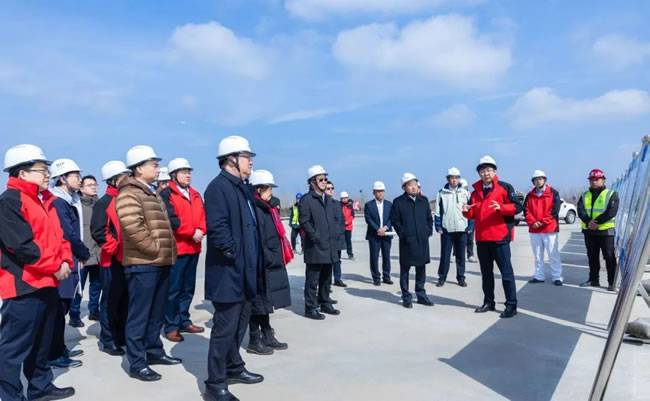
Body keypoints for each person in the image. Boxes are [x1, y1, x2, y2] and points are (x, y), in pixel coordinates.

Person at [0, 144, 76, 401]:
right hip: (24, 284)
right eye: (42, 170)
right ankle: (10, 395)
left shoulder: (45, 201)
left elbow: (60, 237)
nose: (47, 174)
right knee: (14, 346)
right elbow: (22, 246)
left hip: (48, 282)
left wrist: (65, 260)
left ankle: (40, 387)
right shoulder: (10, 201)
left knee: (42, 341)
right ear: (22, 173)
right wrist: (55, 266)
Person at [203, 136, 264, 401]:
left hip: (246, 270)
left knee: (240, 323)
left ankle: (234, 366)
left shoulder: (242, 188)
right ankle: (215, 384)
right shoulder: (218, 188)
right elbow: (218, 228)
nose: (250, 162)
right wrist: (235, 254)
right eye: (246, 157)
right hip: (229, 271)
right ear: (231, 159)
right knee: (224, 328)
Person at [116, 145, 181, 382]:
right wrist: (155, 249)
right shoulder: (129, 193)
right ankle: (137, 362)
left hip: (160, 262)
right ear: (139, 168)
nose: (157, 168)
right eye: (153, 164)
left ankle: (154, 351)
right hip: (143, 264)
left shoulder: (151, 192)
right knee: (139, 315)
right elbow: (133, 228)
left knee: (156, 313)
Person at [463, 155, 522, 319]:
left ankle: (511, 305)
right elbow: (473, 213)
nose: (486, 173)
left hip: (500, 238)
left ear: (495, 171)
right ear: (479, 173)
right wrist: (466, 211)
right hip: (482, 239)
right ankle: (489, 302)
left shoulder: (505, 187)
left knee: (506, 273)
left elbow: (518, 207)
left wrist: (502, 208)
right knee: (486, 274)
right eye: (482, 170)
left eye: (489, 170)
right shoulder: (475, 192)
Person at [245, 169, 292, 355]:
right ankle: (254, 339)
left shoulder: (268, 208)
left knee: (265, 302)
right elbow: (257, 238)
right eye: (269, 188)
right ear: (258, 189)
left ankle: (267, 334)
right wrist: (268, 257)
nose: (271, 192)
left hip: (270, 260)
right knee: (257, 303)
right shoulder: (254, 209)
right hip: (261, 262)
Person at [160, 158, 206, 343]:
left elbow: (203, 216)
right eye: (183, 172)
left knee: (188, 288)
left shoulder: (195, 194)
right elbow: (171, 220)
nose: (188, 175)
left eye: (189, 172)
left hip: (194, 247)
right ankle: (171, 326)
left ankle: (184, 320)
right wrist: (191, 232)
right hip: (178, 249)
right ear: (173, 175)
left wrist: (201, 230)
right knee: (174, 289)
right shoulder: (166, 194)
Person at [49, 158, 90, 368]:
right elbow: (69, 233)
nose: (79, 179)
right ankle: (54, 354)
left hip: (72, 257)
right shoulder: (58, 202)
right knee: (59, 308)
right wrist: (83, 253)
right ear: (62, 178)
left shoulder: (70, 200)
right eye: (75, 176)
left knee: (62, 307)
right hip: (65, 259)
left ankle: (59, 348)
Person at [91, 160, 130, 356]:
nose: (128, 179)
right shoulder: (104, 202)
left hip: (128, 260)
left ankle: (121, 335)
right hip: (111, 260)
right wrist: (116, 249)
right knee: (110, 301)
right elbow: (99, 231)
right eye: (124, 176)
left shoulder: (127, 200)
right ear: (114, 180)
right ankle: (108, 340)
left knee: (125, 300)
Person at [299, 166, 342, 320]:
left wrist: (334, 236)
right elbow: (304, 221)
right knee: (313, 279)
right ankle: (310, 308)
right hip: (315, 247)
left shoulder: (328, 200)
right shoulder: (306, 200)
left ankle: (324, 302)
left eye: (325, 179)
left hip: (329, 246)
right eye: (321, 179)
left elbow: (335, 221)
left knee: (326, 278)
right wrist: (315, 236)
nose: (324, 182)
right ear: (312, 182)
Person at [390, 173, 434, 309]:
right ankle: (406, 297)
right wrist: (403, 234)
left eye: (415, 184)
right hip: (407, 242)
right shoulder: (398, 202)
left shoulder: (423, 200)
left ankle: (421, 295)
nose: (413, 187)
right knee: (405, 270)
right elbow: (395, 220)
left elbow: (429, 218)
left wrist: (428, 231)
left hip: (422, 240)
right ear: (404, 187)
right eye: (410, 185)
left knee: (421, 269)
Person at [577, 169, 619, 291]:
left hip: (605, 231)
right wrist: (588, 222)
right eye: (591, 179)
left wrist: (596, 222)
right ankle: (593, 280)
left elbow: (611, 212)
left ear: (603, 180)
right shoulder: (584, 195)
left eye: (596, 179)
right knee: (592, 256)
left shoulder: (611, 194)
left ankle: (612, 283)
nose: (594, 181)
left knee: (609, 257)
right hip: (589, 231)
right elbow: (580, 210)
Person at [70, 175, 102, 324]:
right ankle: (74, 314)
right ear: (81, 188)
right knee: (79, 286)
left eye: (95, 184)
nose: (94, 187)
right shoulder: (76, 205)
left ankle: (94, 311)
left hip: (98, 253)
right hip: (82, 253)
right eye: (90, 185)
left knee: (96, 285)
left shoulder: (99, 204)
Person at [525, 170, 563, 286]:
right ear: (533, 182)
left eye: (540, 179)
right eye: (536, 179)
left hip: (549, 229)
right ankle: (539, 276)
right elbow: (526, 210)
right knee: (537, 255)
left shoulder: (553, 193)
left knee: (553, 254)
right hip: (535, 230)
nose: (538, 181)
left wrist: (541, 222)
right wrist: (533, 222)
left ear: (544, 180)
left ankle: (557, 277)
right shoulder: (529, 195)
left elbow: (554, 211)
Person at [434, 167, 470, 288]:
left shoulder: (465, 193)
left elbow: (471, 210)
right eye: (452, 178)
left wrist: (470, 226)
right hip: (447, 229)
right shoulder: (441, 193)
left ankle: (461, 277)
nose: (454, 180)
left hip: (462, 228)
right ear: (448, 179)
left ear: (459, 179)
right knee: (445, 255)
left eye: (456, 178)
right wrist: (438, 226)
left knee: (461, 256)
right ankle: (442, 277)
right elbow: (437, 211)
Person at [364, 181, 394, 286]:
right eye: (378, 191)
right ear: (374, 192)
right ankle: (376, 277)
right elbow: (368, 219)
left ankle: (386, 277)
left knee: (386, 256)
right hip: (374, 235)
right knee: (374, 257)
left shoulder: (389, 205)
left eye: (382, 191)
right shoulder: (369, 205)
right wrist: (378, 229)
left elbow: (392, 218)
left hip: (386, 234)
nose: (380, 193)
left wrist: (385, 228)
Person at [460, 179, 478, 263]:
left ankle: (470, 255)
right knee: (459, 240)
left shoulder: (470, 196)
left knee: (470, 239)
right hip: (460, 223)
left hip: (469, 222)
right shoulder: (456, 196)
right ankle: (458, 254)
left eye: (466, 187)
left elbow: (472, 212)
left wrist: (470, 226)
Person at [340, 191, 355, 259]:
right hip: (341, 227)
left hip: (348, 227)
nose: (344, 199)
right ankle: (338, 255)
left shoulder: (350, 206)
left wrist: (347, 222)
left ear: (348, 198)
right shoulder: (339, 206)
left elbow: (352, 216)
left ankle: (350, 254)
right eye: (342, 198)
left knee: (348, 241)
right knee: (340, 241)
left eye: (345, 198)